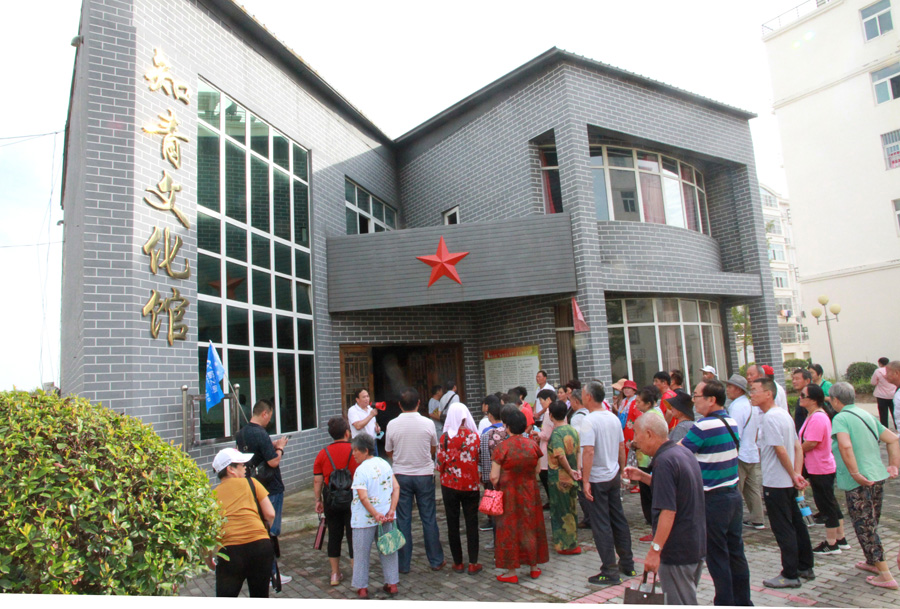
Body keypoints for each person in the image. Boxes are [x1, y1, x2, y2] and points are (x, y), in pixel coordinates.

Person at [681, 380, 751, 605]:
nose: (694, 401)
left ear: (711, 400)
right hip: (733, 495)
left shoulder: (703, 426)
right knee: (736, 552)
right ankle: (743, 601)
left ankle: (724, 602)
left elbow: (680, 453)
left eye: (696, 396)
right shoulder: (730, 421)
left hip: (712, 499)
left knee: (717, 555)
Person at [624, 415, 706, 605]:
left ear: (649, 434)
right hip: (695, 544)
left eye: (636, 434)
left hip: (677, 550)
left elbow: (668, 510)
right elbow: (676, 489)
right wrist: (643, 477)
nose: (635, 440)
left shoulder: (664, 462)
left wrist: (655, 550)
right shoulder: (681, 452)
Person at [829, 381, 900, 589]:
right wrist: (893, 465)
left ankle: (886, 575)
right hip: (876, 476)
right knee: (871, 522)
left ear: (835, 400)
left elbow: (845, 445)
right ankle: (872, 562)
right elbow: (893, 439)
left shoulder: (841, 418)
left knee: (865, 526)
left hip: (859, 480)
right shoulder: (864, 414)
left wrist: (855, 473)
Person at [751, 377, 814, 589]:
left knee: (783, 529)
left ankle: (790, 573)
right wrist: (796, 474)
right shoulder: (784, 415)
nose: (752, 395)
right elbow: (797, 447)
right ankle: (805, 566)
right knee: (797, 524)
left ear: (768, 394)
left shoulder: (770, 418)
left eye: (755, 390)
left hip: (776, 483)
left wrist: (794, 474)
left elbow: (781, 450)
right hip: (787, 481)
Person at [580, 380, 635, 586]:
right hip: (612, 475)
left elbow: (588, 451)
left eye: (583, 393)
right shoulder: (612, 417)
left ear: (589, 397)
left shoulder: (589, 420)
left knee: (601, 524)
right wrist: (621, 470)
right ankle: (627, 563)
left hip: (597, 478)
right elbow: (621, 446)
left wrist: (586, 480)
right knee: (618, 519)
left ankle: (610, 570)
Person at [385, 387, 445, 573]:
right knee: (428, 518)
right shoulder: (427, 423)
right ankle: (436, 560)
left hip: (401, 475)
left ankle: (403, 564)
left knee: (403, 519)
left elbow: (389, 451)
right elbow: (433, 447)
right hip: (424, 475)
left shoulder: (392, 424)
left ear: (400, 405)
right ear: (419, 403)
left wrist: (401, 458)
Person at [234, 399, 291, 586]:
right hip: (270, 487)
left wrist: (271, 445)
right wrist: (280, 447)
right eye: (270, 416)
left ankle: (259, 569)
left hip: (252, 486)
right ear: (264, 414)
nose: (269, 420)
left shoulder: (241, 433)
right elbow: (273, 461)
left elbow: (253, 453)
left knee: (258, 530)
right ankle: (271, 574)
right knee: (270, 532)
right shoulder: (261, 433)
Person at [490, 409, 549, 582]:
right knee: (531, 527)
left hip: (509, 494)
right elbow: (537, 470)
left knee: (509, 529)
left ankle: (511, 572)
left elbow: (494, 476)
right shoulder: (532, 445)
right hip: (530, 492)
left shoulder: (502, 448)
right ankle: (534, 567)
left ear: (507, 427)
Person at [209, 448, 275, 597]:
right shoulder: (252, 483)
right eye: (242, 465)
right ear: (230, 469)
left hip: (230, 552)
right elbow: (270, 514)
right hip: (260, 546)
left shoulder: (212, 496)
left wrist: (209, 561)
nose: (246, 467)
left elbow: (207, 534)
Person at [797, 384, 849, 555]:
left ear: (813, 399)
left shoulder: (818, 417)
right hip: (818, 466)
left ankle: (831, 543)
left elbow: (812, 442)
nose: (800, 398)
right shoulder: (813, 415)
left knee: (826, 505)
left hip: (820, 467)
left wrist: (796, 452)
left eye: (803, 395)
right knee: (830, 502)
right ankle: (840, 538)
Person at [349, 433, 401, 599]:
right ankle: (392, 583)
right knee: (389, 549)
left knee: (361, 554)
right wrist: (392, 509)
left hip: (364, 520)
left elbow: (363, 497)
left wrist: (374, 514)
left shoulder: (360, 470)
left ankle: (362, 588)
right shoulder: (384, 464)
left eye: (355, 450)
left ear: (365, 450)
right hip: (386, 516)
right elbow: (396, 487)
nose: (353, 454)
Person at [313, 416, 359, 586]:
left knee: (334, 535)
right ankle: (356, 573)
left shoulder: (322, 453)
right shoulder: (356, 451)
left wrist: (318, 500)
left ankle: (334, 573)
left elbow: (317, 480)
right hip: (352, 498)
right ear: (347, 433)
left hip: (331, 500)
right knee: (353, 535)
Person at [436, 402, 482, 574]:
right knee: (472, 523)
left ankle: (458, 562)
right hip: (471, 485)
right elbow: (477, 459)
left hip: (450, 485)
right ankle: (473, 563)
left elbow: (439, 464)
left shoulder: (445, 438)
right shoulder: (474, 436)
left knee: (452, 523)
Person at [725, 374, 764, 530]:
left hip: (740, 454)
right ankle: (757, 518)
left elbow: (735, 433)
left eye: (730, 386)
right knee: (752, 488)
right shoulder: (751, 404)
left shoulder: (736, 407)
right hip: (751, 452)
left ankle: (731, 521)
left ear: (738, 389)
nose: (727, 389)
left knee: (735, 489)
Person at [547, 400, 582, 554]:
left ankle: (565, 545)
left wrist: (569, 470)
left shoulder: (556, 434)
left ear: (551, 415)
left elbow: (560, 455)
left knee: (560, 512)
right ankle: (572, 541)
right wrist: (577, 470)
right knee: (571, 510)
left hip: (559, 478)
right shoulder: (572, 430)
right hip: (572, 477)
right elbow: (578, 451)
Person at [631, 387, 664, 529]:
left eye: (639, 402)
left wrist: (635, 443)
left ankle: (652, 521)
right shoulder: (656, 413)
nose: (636, 404)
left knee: (648, 492)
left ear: (648, 403)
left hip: (647, 459)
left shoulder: (649, 417)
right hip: (649, 457)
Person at [479, 398, 507, 536]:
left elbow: (484, 457)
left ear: (490, 415)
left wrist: (485, 478)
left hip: (493, 476)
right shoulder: (508, 430)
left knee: (496, 509)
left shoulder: (487, 433)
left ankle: (497, 539)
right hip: (507, 475)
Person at [536, 388, 558, 508]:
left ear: (548, 399)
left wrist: (537, 433)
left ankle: (552, 500)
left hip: (547, 447)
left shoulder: (548, 412)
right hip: (555, 446)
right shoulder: (558, 409)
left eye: (541, 401)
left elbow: (547, 434)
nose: (541, 404)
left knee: (545, 474)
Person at [871, 357, 897, 430]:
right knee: (895, 413)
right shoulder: (893, 371)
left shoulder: (878, 371)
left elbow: (873, 382)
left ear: (880, 363)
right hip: (893, 395)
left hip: (881, 396)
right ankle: (897, 428)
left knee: (883, 415)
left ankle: (885, 430)